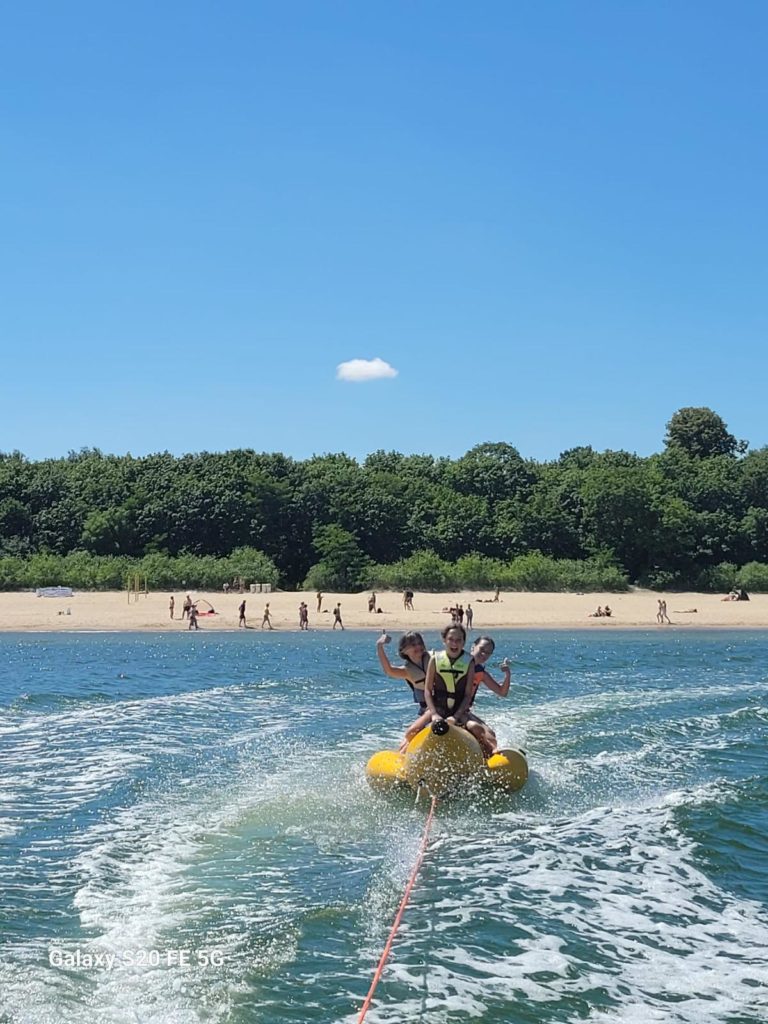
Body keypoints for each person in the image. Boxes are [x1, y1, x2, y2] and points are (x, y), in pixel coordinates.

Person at [376, 632, 431, 744]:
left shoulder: (435, 659)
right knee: (409, 737)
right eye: (413, 644)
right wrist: (380, 646)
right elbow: (389, 670)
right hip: (426, 712)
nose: (418, 646)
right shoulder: (407, 672)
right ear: (404, 650)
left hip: (444, 706)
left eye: (419, 643)